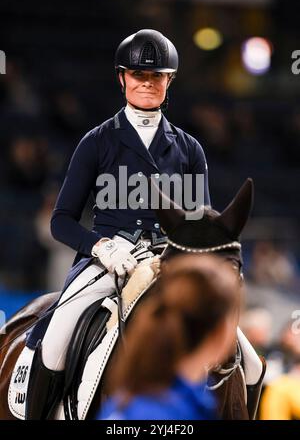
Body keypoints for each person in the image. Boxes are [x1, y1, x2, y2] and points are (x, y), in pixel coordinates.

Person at [19, 29, 210, 419]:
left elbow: (200, 225)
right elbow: (61, 221)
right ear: (122, 78)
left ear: (168, 81)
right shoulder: (97, 142)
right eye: (138, 75)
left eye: (156, 75)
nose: (147, 82)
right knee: (54, 341)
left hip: (167, 264)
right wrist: (101, 247)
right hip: (106, 262)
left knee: (245, 358)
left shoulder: (190, 149)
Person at [97, 254, 240, 420]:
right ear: (221, 332)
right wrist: (103, 248)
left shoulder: (122, 403)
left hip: (178, 256)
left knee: (254, 367)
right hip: (117, 259)